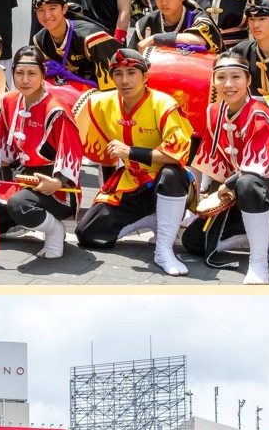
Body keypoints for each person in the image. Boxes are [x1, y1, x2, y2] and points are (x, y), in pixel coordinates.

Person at [184, 50, 269, 282]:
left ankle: (258, 264)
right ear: (213, 80)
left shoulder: (260, 114)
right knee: (193, 241)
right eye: (221, 77)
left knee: (247, 183)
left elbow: (260, 168)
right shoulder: (215, 111)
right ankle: (260, 235)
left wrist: (228, 185)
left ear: (248, 80)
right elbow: (216, 162)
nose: (228, 84)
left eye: (236, 77)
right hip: (240, 194)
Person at [72, 40, 194, 271]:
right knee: (88, 234)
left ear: (145, 76)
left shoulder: (164, 104)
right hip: (130, 183)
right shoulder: (100, 103)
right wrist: (104, 192)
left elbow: (179, 154)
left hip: (164, 183)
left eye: (131, 73)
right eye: (118, 74)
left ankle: (164, 249)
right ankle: (150, 217)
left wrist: (130, 152)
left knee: (172, 174)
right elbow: (104, 155)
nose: (125, 80)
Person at [0, 47, 84, 260]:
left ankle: (55, 230)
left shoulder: (55, 110)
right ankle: (24, 218)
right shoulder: (8, 101)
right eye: (19, 73)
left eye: (31, 74)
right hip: (23, 180)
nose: (25, 79)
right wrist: (3, 190)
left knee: (19, 205)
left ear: (42, 75)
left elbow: (73, 156)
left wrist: (56, 184)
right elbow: (5, 156)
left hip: (58, 187)